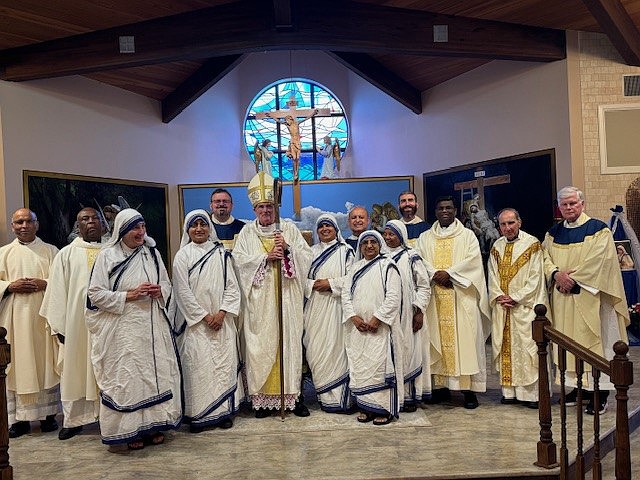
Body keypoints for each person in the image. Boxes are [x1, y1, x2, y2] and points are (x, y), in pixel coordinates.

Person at [86, 208, 181, 450]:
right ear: (122, 231)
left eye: (142, 227)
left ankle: (154, 426)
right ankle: (128, 431)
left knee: (153, 375)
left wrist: (160, 292)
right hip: (123, 331)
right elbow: (95, 294)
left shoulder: (152, 252)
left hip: (151, 327)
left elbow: (166, 284)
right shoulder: (107, 256)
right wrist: (130, 295)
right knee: (128, 378)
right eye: (135, 229)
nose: (140, 233)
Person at [543, 186, 629, 414]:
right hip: (563, 299)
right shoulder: (553, 233)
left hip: (590, 297)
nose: (569, 208)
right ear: (559, 208)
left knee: (594, 342)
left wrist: (572, 280)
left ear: (582, 204)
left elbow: (601, 262)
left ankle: (599, 393)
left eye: (573, 203)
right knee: (568, 343)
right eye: (564, 205)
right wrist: (556, 275)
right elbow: (545, 258)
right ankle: (577, 388)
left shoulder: (599, 230)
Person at [233, 171, 312, 417]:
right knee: (261, 347)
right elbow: (238, 262)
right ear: (255, 209)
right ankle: (263, 399)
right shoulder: (247, 233)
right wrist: (265, 258)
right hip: (260, 303)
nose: (266, 211)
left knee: (289, 345)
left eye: (269, 206)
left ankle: (293, 398)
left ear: (276, 207)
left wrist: (288, 250)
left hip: (286, 298)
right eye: (261, 207)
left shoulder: (287, 228)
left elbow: (307, 257)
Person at [415, 196, 490, 409]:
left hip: (460, 296)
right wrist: (436, 274)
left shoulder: (467, 236)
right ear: (435, 212)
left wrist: (450, 274)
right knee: (436, 339)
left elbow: (473, 261)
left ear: (455, 210)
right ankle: (440, 388)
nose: (445, 211)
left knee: (466, 342)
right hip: (434, 296)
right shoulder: (425, 237)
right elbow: (419, 260)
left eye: (449, 207)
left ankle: (468, 390)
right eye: (441, 208)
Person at [172, 209, 242, 433]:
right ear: (188, 229)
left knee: (222, 366)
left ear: (209, 228)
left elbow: (232, 286)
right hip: (196, 326)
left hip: (222, 323)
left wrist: (221, 314)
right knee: (199, 368)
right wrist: (204, 317)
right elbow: (182, 291)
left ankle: (223, 413)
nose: (199, 229)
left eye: (203, 224)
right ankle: (198, 414)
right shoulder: (182, 256)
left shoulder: (221, 254)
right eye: (195, 225)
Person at [40, 208, 103, 440]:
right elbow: (57, 292)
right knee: (75, 370)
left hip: (107, 326)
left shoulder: (112, 251)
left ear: (103, 223)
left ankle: (109, 418)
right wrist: (60, 327)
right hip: (77, 326)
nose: (90, 222)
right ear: (78, 226)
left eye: (95, 218)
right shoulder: (66, 254)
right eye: (85, 219)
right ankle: (75, 420)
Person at [0, 208, 60, 438]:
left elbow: (61, 281)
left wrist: (44, 282)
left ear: (37, 224)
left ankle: (48, 416)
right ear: (12, 226)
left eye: (28, 221)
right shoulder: (3, 253)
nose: (23, 226)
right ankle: (19, 421)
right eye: (18, 222)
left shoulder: (51, 251)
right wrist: (9, 286)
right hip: (14, 319)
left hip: (42, 317)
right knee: (19, 365)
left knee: (45, 362)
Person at [487, 208, 548, 409]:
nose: (507, 228)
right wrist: (499, 296)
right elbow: (492, 277)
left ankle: (530, 395)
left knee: (527, 349)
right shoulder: (496, 246)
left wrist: (516, 297)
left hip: (525, 308)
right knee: (506, 348)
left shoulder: (532, 245)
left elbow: (536, 278)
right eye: (503, 224)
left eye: (511, 223)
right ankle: (509, 392)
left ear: (519, 222)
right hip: (503, 308)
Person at [342, 230, 402, 425]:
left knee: (379, 367)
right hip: (358, 329)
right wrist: (353, 317)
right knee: (361, 367)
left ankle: (383, 409)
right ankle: (366, 407)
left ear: (379, 245)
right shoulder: (355, 268)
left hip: (380, 329)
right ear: (360, 247)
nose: (369, 246)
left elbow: (394, 297)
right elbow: (345, 294)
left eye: (373, 242)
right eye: (365, 243)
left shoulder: (388, 266)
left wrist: (378, 319)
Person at [303, 214, 354, 412]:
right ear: (317, 231)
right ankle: (324, 398)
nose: (325, 229)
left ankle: (342, 399)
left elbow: (352, 278)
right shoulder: (309, 252)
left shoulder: (346, 251)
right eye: (321, 226)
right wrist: (313, 284)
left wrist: (331, 284)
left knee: (337, 349)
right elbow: (300, 278)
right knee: (316, 350)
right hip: (315, 308)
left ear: (335, 229)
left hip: (336, 308)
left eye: (329, 226)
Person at [383, 220, 431, 411]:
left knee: (409, 352)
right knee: (392, 354)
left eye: (392, 234)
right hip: (389, 315)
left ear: (401, 235)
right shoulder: (381, 256)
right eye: (385, 233)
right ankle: (393, 395)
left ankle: (410, 397)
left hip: (409, 315)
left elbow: (423, 286)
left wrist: (419, 310)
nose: (387, 237)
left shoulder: (412, 256)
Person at [264, 109, 318, 180]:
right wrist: (271, 115)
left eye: (287, 120)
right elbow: (278, 121)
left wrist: (313, 113)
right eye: (286, 121)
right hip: (292, 143)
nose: (287, 122)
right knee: (294, 158)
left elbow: (306, 118)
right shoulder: (287, 125)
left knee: (298, 158)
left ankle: (297, 173)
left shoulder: (297, 123)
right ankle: (295, 173)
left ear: (291, 119)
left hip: (298, 143)